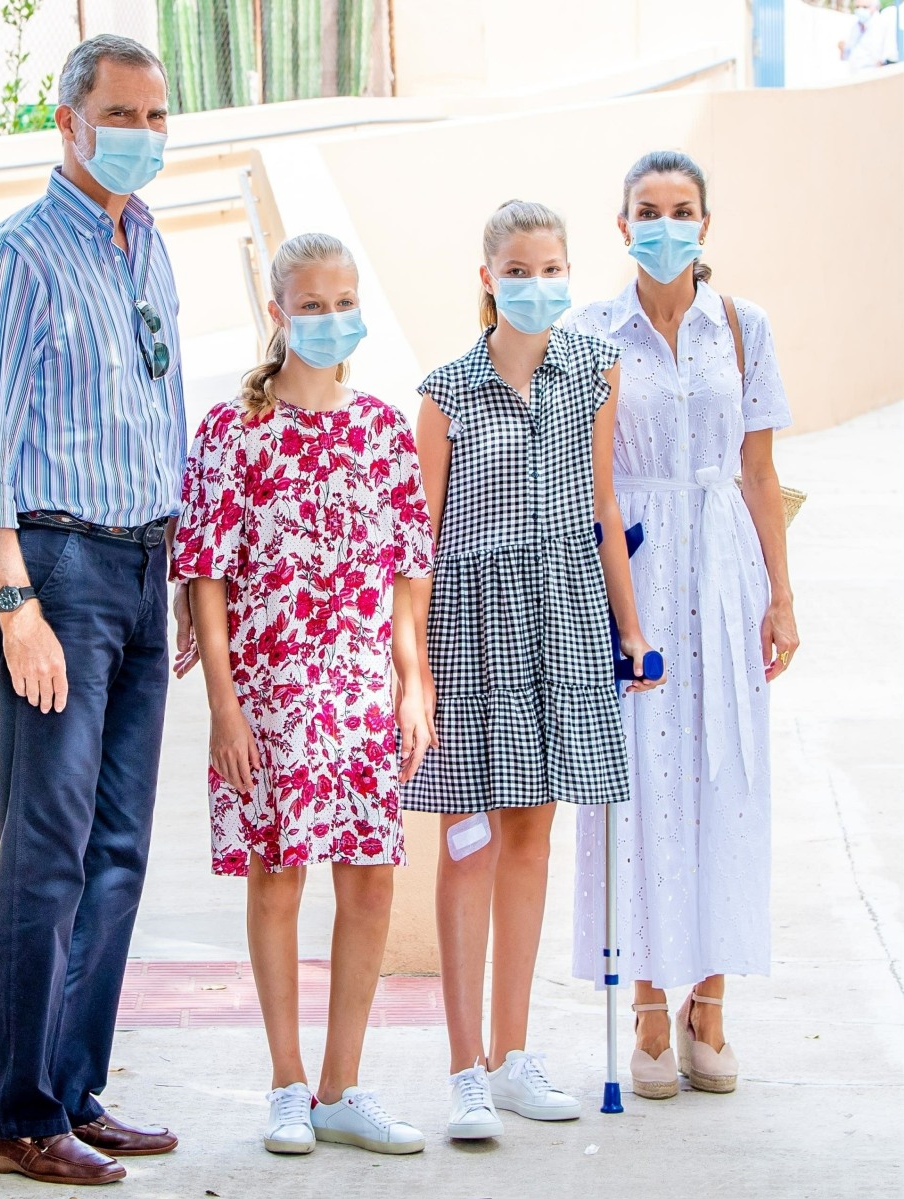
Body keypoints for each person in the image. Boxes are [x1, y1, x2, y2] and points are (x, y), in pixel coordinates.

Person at [0, 34, 190, 1186]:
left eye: (155, 114)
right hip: (57, 574)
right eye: (121, 112)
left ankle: (76, 1090)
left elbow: (166, 416)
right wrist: (15, 604)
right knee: (44, 851)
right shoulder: (16, 257)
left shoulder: (150, 247)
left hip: (144, 572)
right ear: (68, 121)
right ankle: (16, 1111)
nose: (141, 133)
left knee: (119, 851)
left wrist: (180, 577)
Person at [402, 201, 661, 1140]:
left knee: (530, 835)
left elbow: (601, 503)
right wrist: (414, 673)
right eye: (519, 268)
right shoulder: (446, 392)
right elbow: (418, 547)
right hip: (470, 631)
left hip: (562, 622)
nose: (538, 283)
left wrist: (630, 629)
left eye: (553, 267)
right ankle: (465, 1067)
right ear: (486, 278)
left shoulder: (595, 371)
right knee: (466, 838)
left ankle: (514, 1056)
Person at [174, 233, 434, 1157]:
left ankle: (341, 1086)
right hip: (272, 692)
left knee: (369, 881)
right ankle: (286, 1084)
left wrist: (414, 683)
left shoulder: (382, 430)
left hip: (363, 690)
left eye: (344, 300)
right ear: (279, 313)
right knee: (277, 878)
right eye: (313, 303)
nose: (332, 318)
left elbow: (406, 572)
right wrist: (224, 703)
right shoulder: (232, 431)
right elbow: (205, 575)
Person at [569, 150, 799, 1100]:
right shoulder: (592, 331)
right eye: (648, 210)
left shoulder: (743, 330)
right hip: (634, 571)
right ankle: (649, 1009)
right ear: (622, 226)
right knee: (641, 784)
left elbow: (757, 474)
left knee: (720, 780)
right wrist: (606, 609)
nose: (666, 223)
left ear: (707, 223)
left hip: (724, 571)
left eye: (683, 209)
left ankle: (712, 1001)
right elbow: (590, 481)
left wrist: (781, 595)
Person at [839, 0, 898, 70]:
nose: (860, 10)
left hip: (873, 72)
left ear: (875, 7)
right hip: (855, 72)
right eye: (857, 7)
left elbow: (887, 53)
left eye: (865, 7)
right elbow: (846, 54)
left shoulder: (883, 23)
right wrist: (842, 49)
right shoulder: (856, 25)